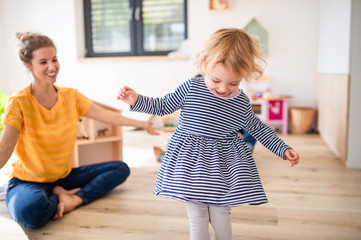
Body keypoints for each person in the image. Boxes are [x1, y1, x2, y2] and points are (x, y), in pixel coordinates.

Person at [117, 28, 299, 240]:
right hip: (190, 164)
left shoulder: (240, 101)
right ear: (205, 64)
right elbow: (164, 105)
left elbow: (258, 128)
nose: (223, 89)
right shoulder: (191, 87)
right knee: (197, 216)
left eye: (233, 83)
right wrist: (136, 100)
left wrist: (282, 148)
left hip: (221, 166)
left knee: (221, 214)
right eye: (216, 80)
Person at [0, 32, 158, 229]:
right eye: (43, 62)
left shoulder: (70, 96)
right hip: (28, 181)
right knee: (30, 214)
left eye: (54, 59)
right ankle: (58, 197)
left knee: (120, 169)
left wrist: (142, 124)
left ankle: (73, 199)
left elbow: (107, 116)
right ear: (28, 65)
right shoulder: (18, 103)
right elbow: (5, 148)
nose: (52, 67)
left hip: (64, 176)